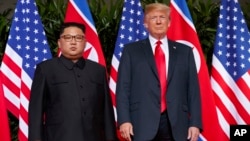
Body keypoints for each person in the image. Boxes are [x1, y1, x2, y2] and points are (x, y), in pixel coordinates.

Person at [116, 3, 202, 141]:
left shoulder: (184, 52)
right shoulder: (131, 51)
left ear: (169, 23)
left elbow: (193, 90)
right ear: (145, 23)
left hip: (176, 123)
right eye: (153, 17)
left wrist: (195, 123)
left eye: (162, 17)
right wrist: (124, 120)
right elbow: (123, 89)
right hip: (141, 122)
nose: (158, 21)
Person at [28, 22, 117, 141]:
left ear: (85, 43)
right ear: (59, 43)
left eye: (78, 38)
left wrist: (111, 137)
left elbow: (107, 110)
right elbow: (36, 110)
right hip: (58, 136)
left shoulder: (98, 70)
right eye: (68, 37)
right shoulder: (45, 69)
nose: (73, 42)